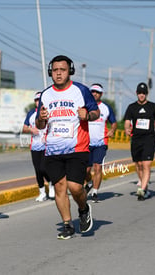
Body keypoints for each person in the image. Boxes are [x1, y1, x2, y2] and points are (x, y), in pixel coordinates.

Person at [36, 55, 100, 240]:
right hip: (53, 149)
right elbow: (39, 124)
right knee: (59, 187)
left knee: (75, 187)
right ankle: (67, 224)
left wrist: (87, 115)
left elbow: (96, 112)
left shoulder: (81, 90)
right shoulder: (46, 94)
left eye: (62, 70)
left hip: (77, 148)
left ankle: (83, 208)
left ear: (69, 71)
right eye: (55, 70)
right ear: (50, 72)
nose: (58, 73)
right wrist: (41, 118)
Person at [124, 82, 155, 201]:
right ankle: (143, 183)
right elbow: (127, 121)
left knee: (146, 164)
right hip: (136, 138)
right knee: (138, 164)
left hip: (149, 138)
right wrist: (126, 128)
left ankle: (143, 188)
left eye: (144, 93)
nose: (141, 95)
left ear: (147, 94)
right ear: (136, 93)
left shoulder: (153, 106)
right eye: (140, 93)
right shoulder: (131, 107)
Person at [85, 83, 117, 203]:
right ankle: (88, 183)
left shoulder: (106, 107)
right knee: (85, 170)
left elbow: (113, 122)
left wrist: (112, 130)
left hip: (101, 142)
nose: (94, 94)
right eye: (92, 91)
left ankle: (94, 192)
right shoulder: (85, 106)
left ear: (101, 94)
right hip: (86, 143)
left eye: (97, 92)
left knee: (97, 168)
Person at [22, 91, 54, 202]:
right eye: (36, 100)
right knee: (38, 170)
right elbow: (24, 128)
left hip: (47, 145)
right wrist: (31, 129)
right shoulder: (31, 113)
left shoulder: (49, 112)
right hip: (35, 146)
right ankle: (42, 192)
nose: (38, 102)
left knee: (44, 168)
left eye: (40, 100)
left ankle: (51, 184)